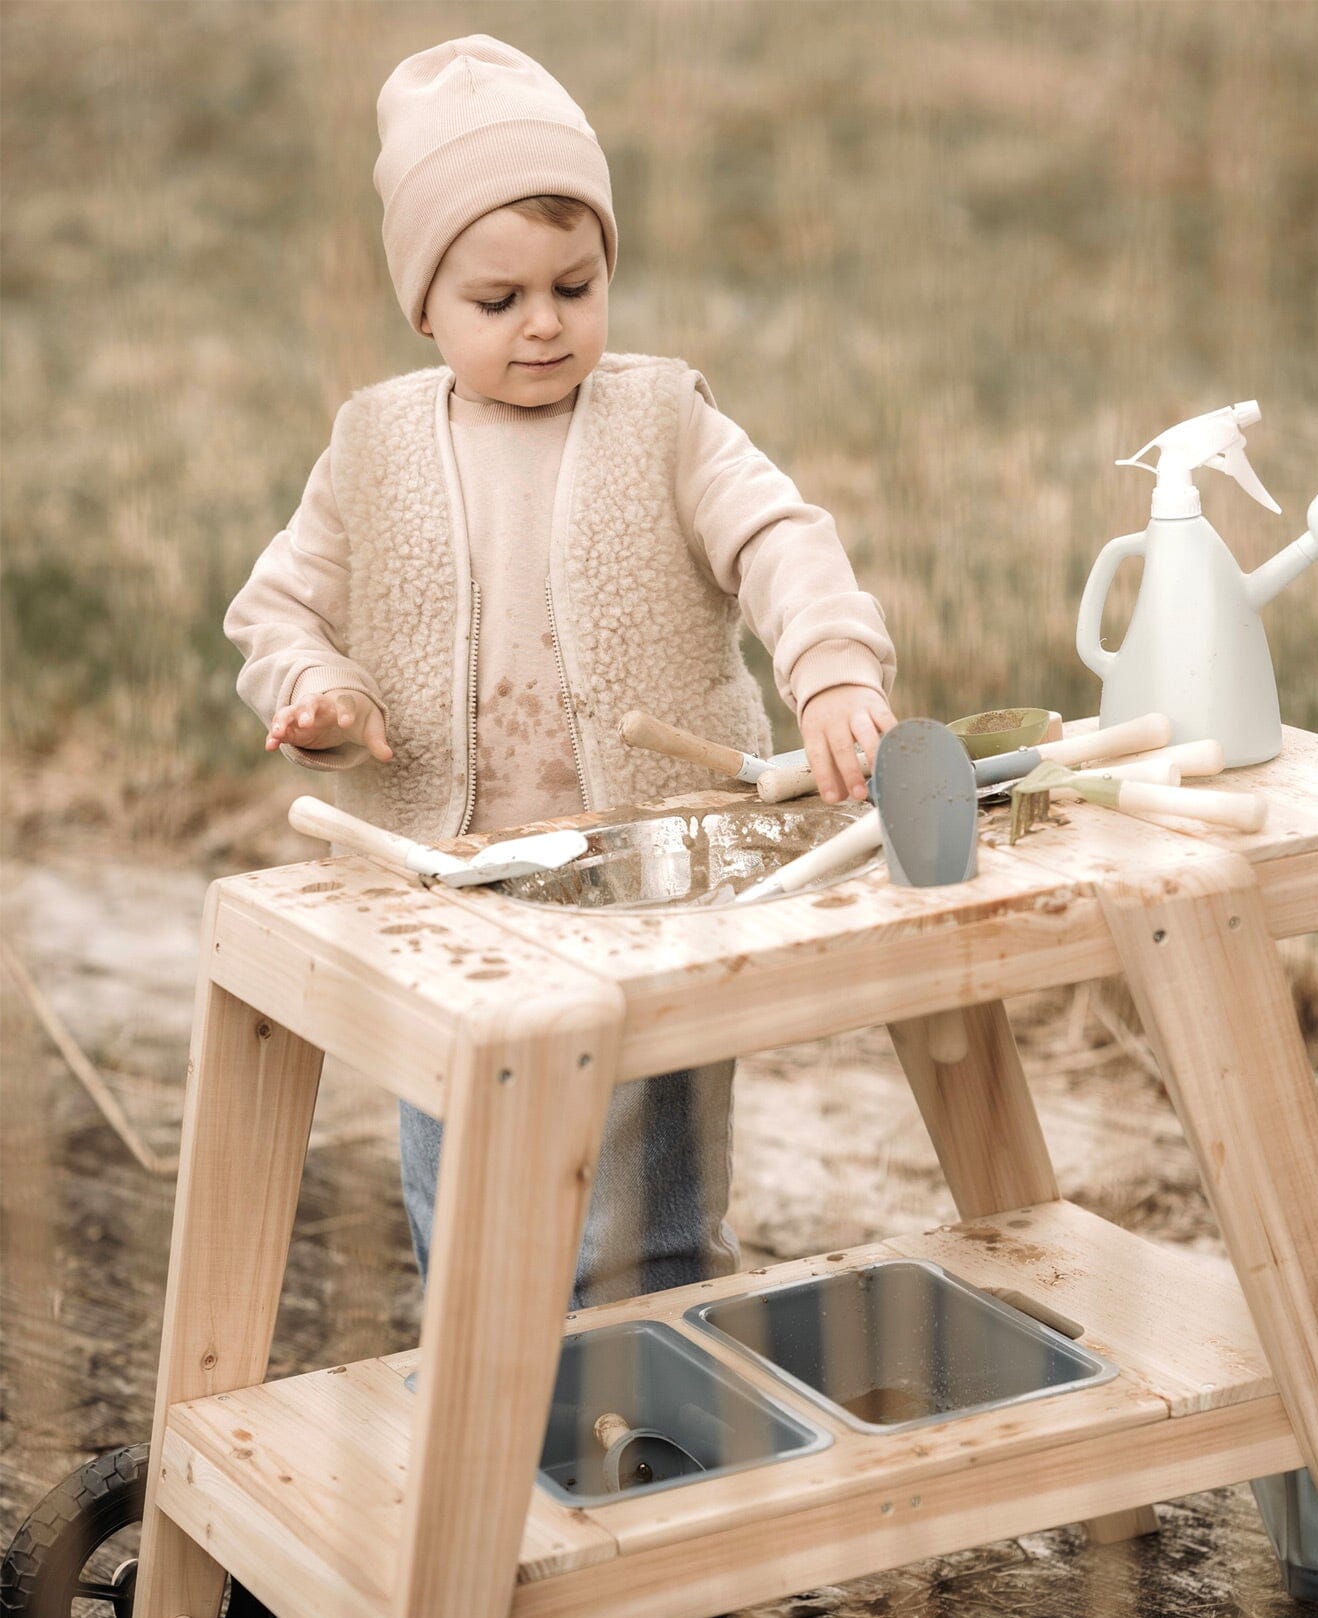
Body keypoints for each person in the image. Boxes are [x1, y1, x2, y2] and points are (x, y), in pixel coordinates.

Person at [225, 34, 897, 1314]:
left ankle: (663, 1412)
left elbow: (778, 537)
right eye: (499, 301)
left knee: (652, 1207)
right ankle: (501, 1421)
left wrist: (829, 670)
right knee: (472, 1201)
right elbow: (279, 610)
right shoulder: (371, 447)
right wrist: (321, 697)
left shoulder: (664, 418)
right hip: (451, 892)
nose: (545, 323)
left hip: (657, 877)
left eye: (575, 287)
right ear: (424, 304)